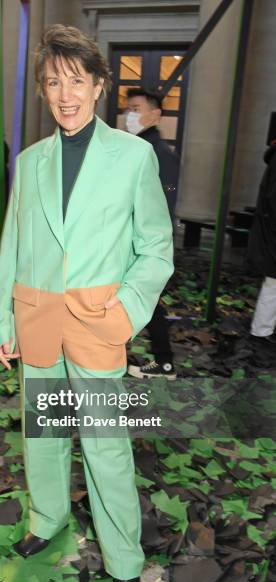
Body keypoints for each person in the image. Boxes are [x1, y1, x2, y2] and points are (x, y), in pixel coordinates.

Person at [0, 25, 173, 582]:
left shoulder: (133, 156)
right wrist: (1, 318)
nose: (64, 94)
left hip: (97, 323)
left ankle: (123, 562)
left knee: (105, 445)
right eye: (52, 83)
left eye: (75, 81)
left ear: (97, 86)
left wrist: (126, 311)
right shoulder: (32, 160)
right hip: (36, 319)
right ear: (43, 92)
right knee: (41, 435)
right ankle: (48, 516)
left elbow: (156, 248)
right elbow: (13, 244)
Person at [125, 88, 179, 380]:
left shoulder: (160, 153)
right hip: (128, 240)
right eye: (128, 109)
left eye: (135, 108)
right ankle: (162, 361)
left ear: (155, 114)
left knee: (146, 302)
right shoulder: (134, 147)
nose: (129, 115)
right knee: (144, 301)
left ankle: (164, 362)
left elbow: (165, 199)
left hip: (142, 244)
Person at [247, 139, 276, 345]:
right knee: (273, 283)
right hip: (272, 234)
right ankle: (261, 331)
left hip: (270, 231)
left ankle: (262, 329)